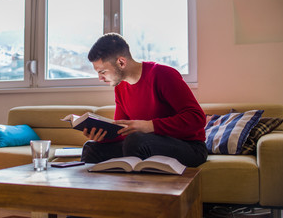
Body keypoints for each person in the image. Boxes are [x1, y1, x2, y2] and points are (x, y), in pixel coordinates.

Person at [81, 33, 207, 167]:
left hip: (190, 147)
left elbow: (197, 118)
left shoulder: (163, 75)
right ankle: (99, 188)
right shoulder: (120, 87)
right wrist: (103, 136)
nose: (100, 78)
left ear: (121, 62)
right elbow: (123, 130)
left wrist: (149, 126)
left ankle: (133, 187)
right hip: (144, 143)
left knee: (135, 141)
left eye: (103, 72)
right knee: (91, 148)